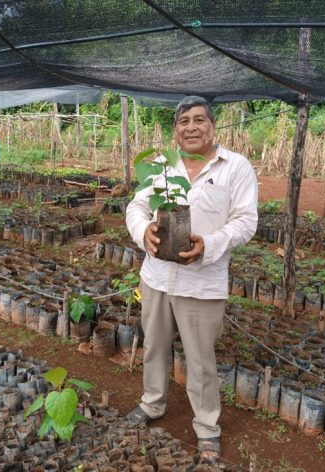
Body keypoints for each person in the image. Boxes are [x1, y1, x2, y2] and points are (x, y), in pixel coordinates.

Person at [124, 96, 258, 461]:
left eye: (199, 119)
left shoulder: (235, 167)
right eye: (184, 121)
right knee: (153, 345)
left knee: (200, 359)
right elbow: (136, 206)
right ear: (176, 130)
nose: (191, 127)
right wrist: (144, 231)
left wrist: (209, 244)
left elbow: (246, 222)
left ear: (213, 126)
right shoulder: (161, 166)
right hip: (156, 276)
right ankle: (152, 404)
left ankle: (207, 427)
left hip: (203, 281)